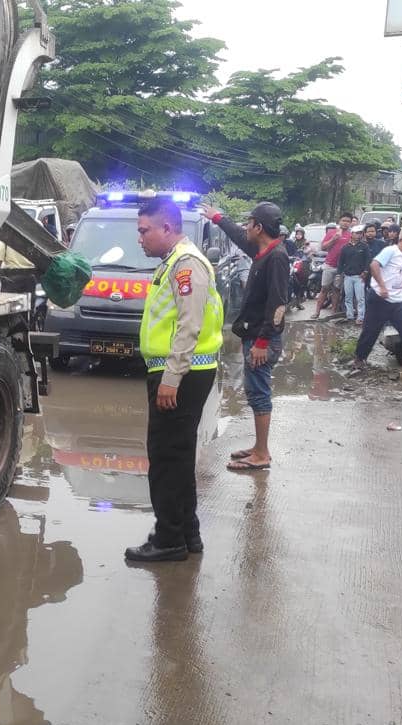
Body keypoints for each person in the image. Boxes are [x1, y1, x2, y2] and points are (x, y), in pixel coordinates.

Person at [125, 197, 225, 563]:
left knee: (166, 458)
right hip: (183, 371)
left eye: (144, 230)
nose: (140, 238)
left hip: (182, 373)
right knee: (177, 456)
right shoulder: (174, 263)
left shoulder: (186, 265)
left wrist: (171, 376)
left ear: (167, 228)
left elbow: (189, 323)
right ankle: (186, 533)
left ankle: (168, 539)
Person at [201, 201, 289, 473]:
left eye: (249, 223)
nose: (245, 227)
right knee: (254, 392)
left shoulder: (277, 257)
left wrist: (262, 342)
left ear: (259, 228)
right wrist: (217, 217)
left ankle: (261, 453)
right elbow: (238, 236)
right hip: (254, 335)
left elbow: (278, 304)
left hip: (264, 340)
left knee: (259, 394)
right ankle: (258, 447)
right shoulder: (263, 249)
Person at [352, 227, 402, 373]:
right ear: (401, 240)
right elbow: (373, 265)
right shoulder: (390, 251)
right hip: (379, 298)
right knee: (370, 331)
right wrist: (382, 286)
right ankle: (359, 359)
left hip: (397, 299)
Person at [312, 213, 353, 319]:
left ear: (350, 223)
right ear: (339, 221)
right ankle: (317, 312)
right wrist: (334, 239)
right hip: (329, 265)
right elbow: (323, 247)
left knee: (336, 290)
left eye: (348, 221)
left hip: (342, 268)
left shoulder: (352, 235)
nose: (345, 223)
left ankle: (333, 313)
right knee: (324, 289)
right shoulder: (332, 232)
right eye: (343, 220)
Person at [338, 224, 371, 324]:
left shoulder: (364, 246)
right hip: (348, 276)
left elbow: (368, 260)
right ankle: (349, 316)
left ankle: (360, 317)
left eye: (360, 233)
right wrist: (339, 274)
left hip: (359, 276)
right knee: (348, 297)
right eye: (357, 233)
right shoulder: (345, 247)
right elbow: (341, 262)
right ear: (351, 234)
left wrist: (365, 271)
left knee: (360, 298)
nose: (359, 235)